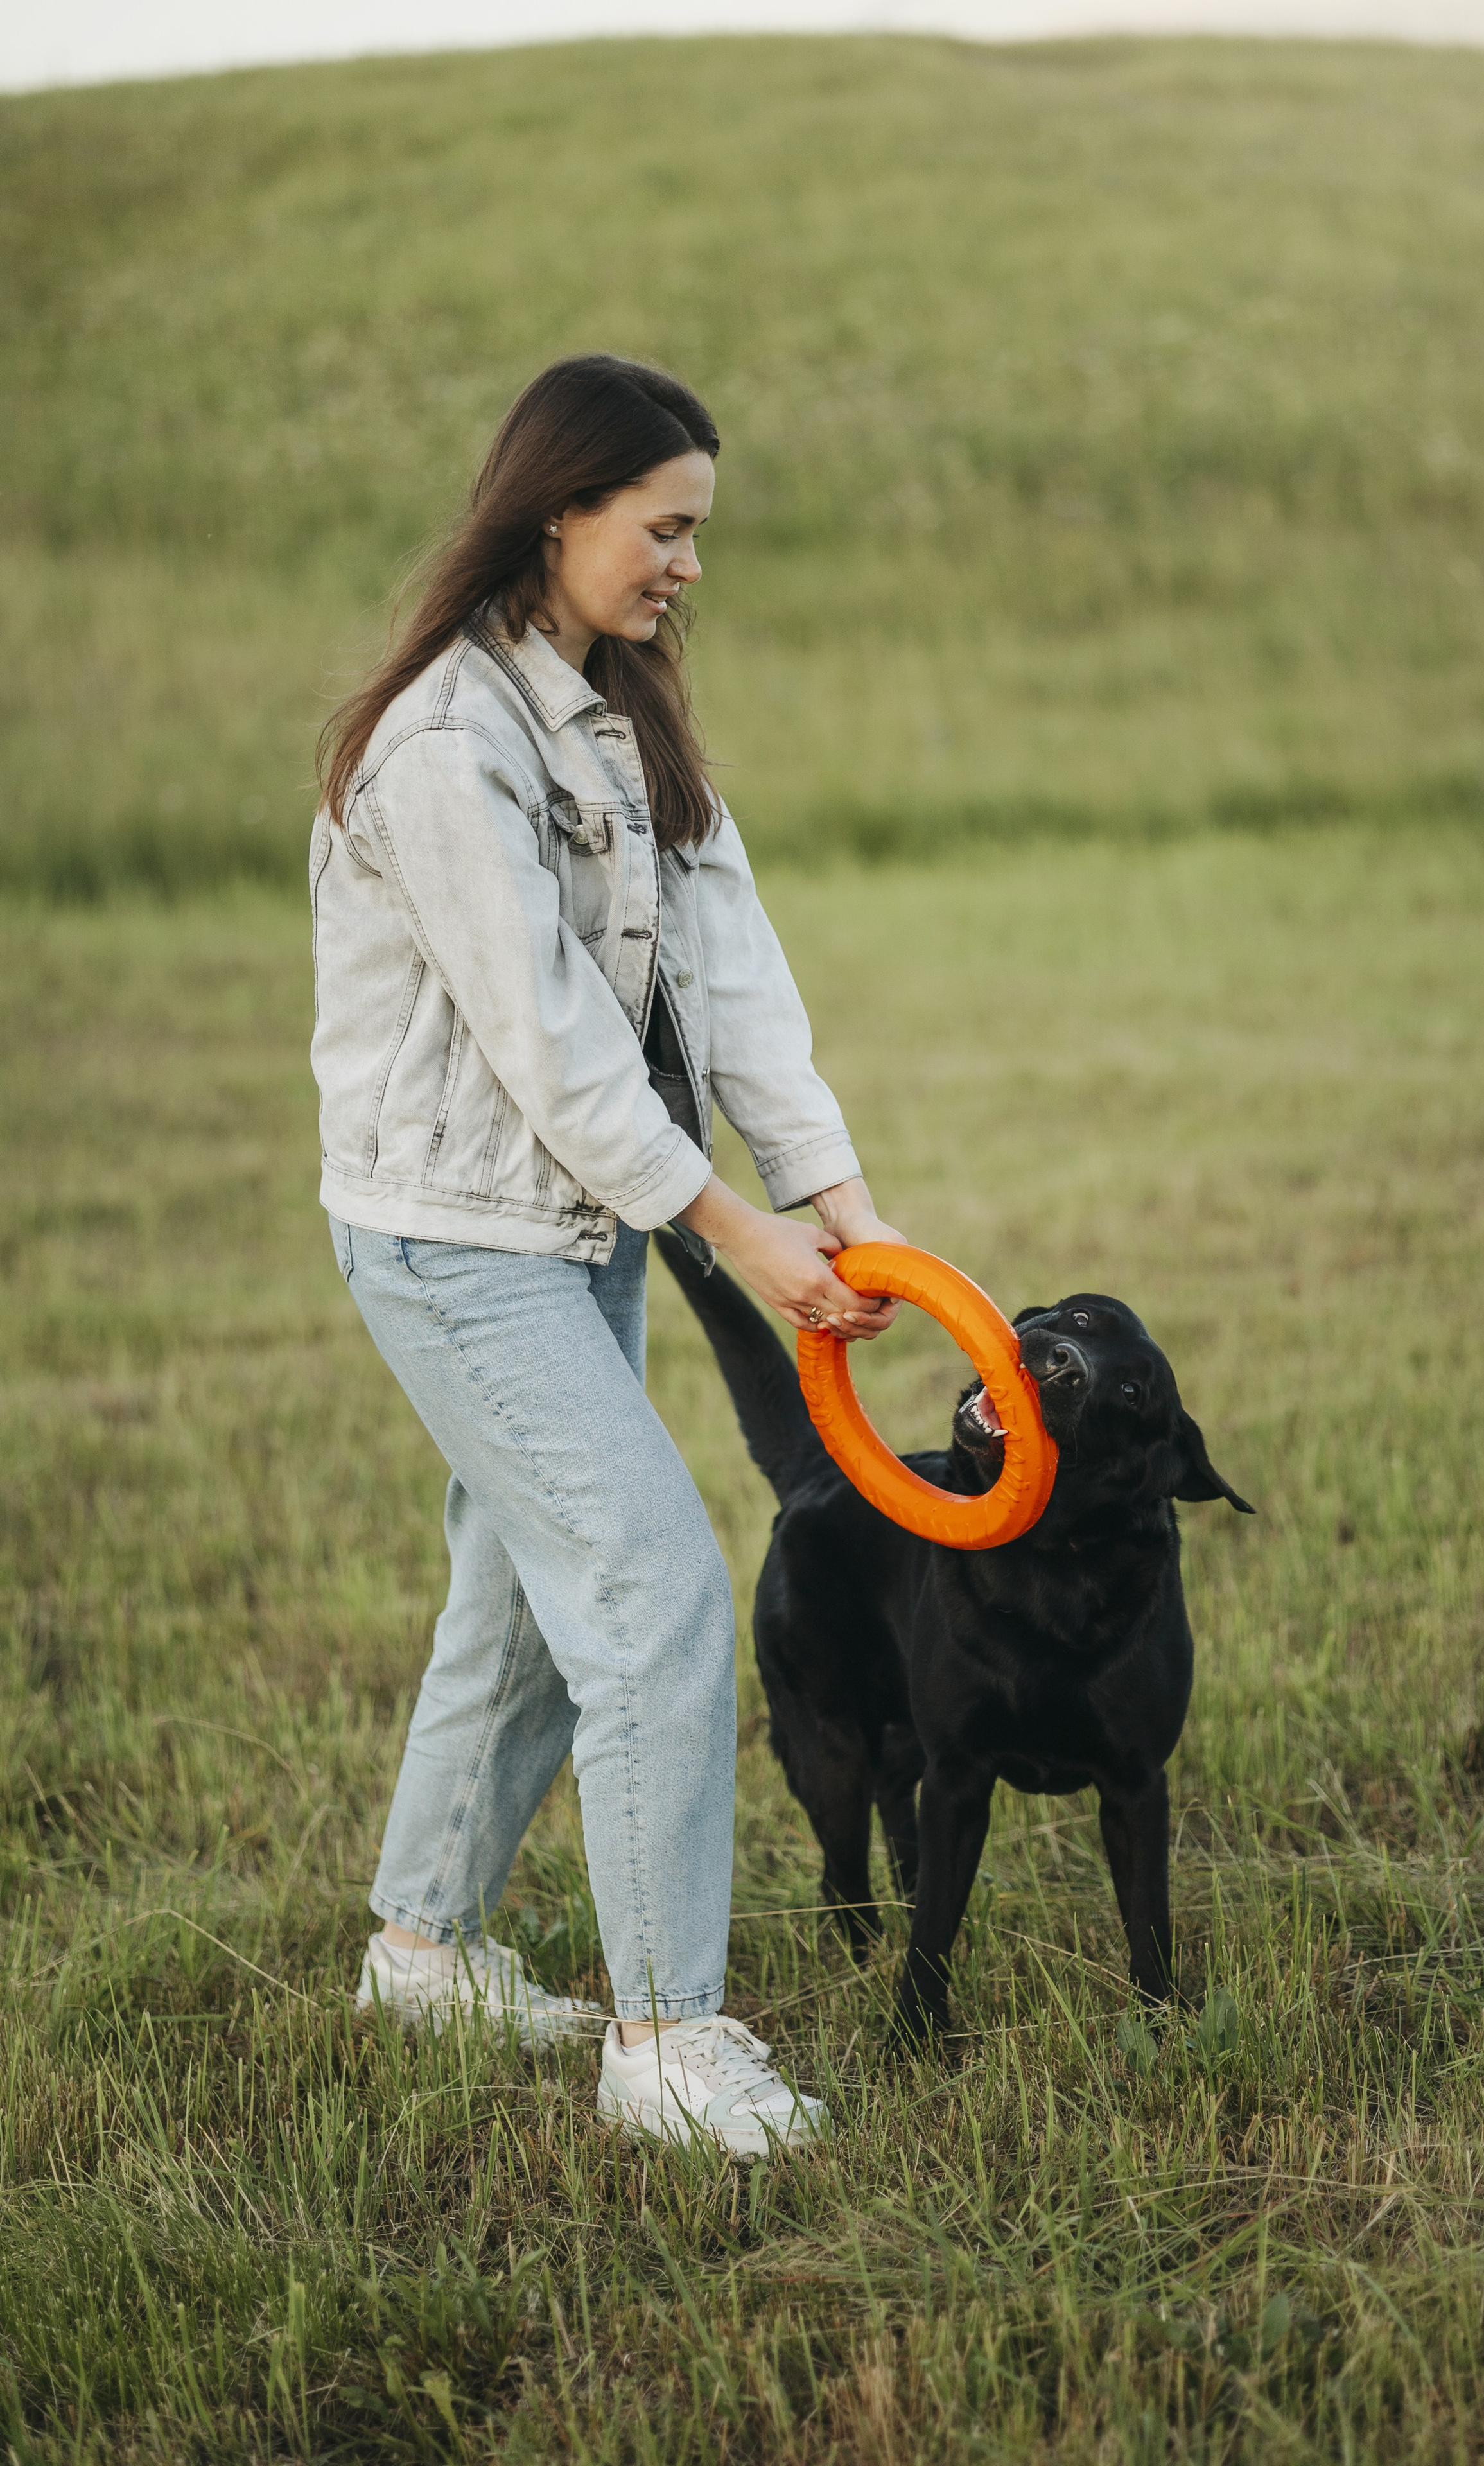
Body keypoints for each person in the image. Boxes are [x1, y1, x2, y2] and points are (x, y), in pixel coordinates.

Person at [311, 354, 903, 2156]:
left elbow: (729, 973)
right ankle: (665, 2046)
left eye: (695, 534)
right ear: (555, 510)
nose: (686, 569)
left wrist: (841, 1200)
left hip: (574, 1232)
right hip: (454, 1238)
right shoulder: (442, 742)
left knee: (518, 1598)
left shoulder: (619, 711)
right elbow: (551, 1035)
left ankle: (422, 1950)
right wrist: (732, 1225)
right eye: (664, 530)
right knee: (647, 1594)